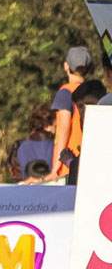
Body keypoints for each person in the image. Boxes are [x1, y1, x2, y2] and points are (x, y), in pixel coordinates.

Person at [46, 46, 92, 181]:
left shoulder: (65, 93)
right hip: (88, 160)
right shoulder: (94, 91)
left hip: (69, 162)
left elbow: (64, 128)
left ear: (66, 66)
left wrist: (57, 165)